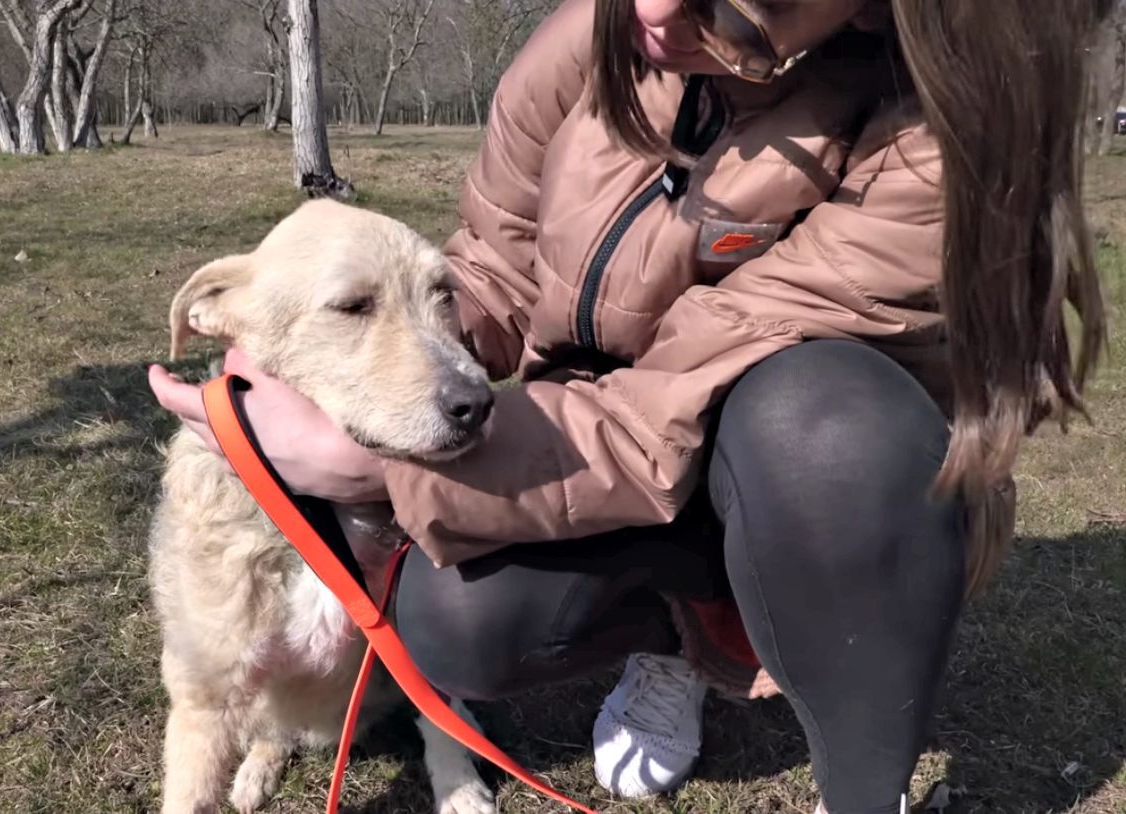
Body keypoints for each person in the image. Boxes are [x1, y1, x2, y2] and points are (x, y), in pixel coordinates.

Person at [148, 1, 1110, 811]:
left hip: (832, 485)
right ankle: (676, 640)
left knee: (820, 432)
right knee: (453, 622)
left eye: (734, 3)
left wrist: (379, 470)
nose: (650, 12)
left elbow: (678, 394)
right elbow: (493, 264)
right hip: (611, 439)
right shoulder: (601, 28)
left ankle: (863, 784)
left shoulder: (935, 128)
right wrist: (370, 371)